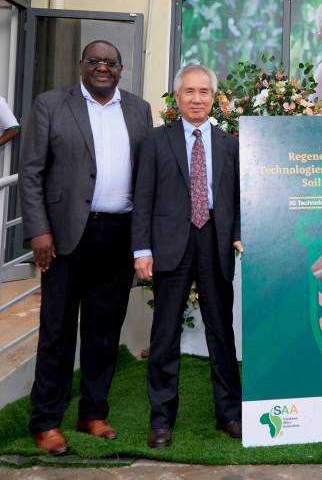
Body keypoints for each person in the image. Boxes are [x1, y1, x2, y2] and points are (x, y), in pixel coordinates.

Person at [20, 40, 153, 455]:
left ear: (121, 68)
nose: (101, 68)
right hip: (63, 238)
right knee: (56, 332)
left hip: (117, 236)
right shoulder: (50, 104)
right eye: (93, 61)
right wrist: (39, 231)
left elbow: (146, 174)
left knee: (103, 331)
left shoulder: (138, 109)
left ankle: (93, 413)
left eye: (109, 63)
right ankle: (46, 421)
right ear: (81, 65)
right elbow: (31, 173)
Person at [132, 63, 244, 449]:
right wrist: (141, 249)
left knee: (221, 332)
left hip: (214, 241)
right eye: (189, 92)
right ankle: (161, 419)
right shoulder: (156, 141)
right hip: (169, 243)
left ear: (214, 98)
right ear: (177, 97)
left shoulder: (230, 143)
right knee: (164, 334)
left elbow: (239, 200)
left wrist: (238, 235)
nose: (197, 99)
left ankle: (230, 413)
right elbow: (142, 198)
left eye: (204, 92)